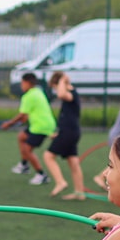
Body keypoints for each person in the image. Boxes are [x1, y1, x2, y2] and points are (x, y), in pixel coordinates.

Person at [2, 72, 56, 185]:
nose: (21, 85)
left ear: (28, 83)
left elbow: (22, 115)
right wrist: (20, 120)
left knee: (27, 149)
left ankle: (42, 175)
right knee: (22, 137)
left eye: (22, 83)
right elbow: (26, 116)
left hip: (40, 126)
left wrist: (9, 124)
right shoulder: (38, 91)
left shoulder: (28, 96)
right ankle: (24, 165)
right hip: (43, 124)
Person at [43, 71, 85, 200]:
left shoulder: (71, 94)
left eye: (55, 87)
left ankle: (60, 182)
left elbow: (61, 94)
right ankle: (79, 192)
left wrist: (62, 80)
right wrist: (59, 133)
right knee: (73, 162)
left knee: (48, 156)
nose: (56, 91)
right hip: (69, 132)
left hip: (69, 132)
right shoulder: (71, 94)